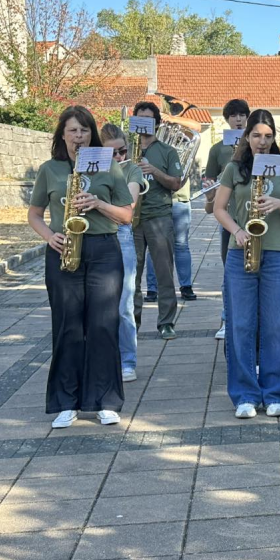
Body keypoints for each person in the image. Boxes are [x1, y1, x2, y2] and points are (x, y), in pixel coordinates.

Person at [28, 106, 132, 428]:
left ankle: (105, 401)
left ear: (93, 135)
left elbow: (128, 215)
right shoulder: (50, 169)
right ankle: (66, 402)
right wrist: (49, 236)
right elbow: (34, 214)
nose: (79, 137)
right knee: (67, 327)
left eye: (85, 130)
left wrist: (98, 203)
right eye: (73, 131)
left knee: (103, 325)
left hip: (103, 250)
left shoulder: (110, 167)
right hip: (63, 250)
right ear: (63, 135)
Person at [213, 109, 280, 418]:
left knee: (278, 323)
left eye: (268, 136)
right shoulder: (235, 168)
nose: (262, 142)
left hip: (275, 252)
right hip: (241, 251)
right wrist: (236, 230)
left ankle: (276, 393)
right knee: (240, 324)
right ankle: (245, 395)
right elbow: (219, 208)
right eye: (256, 136)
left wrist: (278, 203)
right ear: (246, 137)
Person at [131, 101, 184, 340]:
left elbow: (176, 183)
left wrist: (154, 171)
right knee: (131, 274)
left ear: (156, 123)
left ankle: (166, 322)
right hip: (131, 218)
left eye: (148, 120)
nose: (144, 125)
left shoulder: (166, 151)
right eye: (139, 119)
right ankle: (132, 322)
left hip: (159, 216)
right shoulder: (125, 149)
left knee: (163, 272)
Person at [101, 124, 146, 383]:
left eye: (122, 151)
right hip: (95, 235)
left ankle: (127, 360)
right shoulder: (91, 168)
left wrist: (97, 204)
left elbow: (127, 205)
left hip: (122, 236)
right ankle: (103, 359)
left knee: (123, 304)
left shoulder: (132, 169)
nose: (118, 157)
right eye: (112, 154)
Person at [204, 99, 249, 340]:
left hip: (253, 217)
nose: (238, 119)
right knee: (229, 274)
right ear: (227, 119)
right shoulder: (217, 149)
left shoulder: (256, 146)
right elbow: (210, 188)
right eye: (234, 115)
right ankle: (226, 319)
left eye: (242, 115)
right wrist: (212, 189)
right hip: (229, 220)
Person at [144, 177, 195, 302]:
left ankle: (154, 289)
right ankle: (183, 287)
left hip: (176, 200)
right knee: (158, 246)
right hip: (158, 201)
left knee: (179, 245)